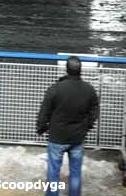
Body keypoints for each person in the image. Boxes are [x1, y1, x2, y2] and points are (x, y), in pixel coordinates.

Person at [37, 56, 99, 196]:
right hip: (77, 138)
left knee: (53, 172)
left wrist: (41, 127)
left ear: (66, 69)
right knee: (76, 173)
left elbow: (44, 111)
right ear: (80, 70)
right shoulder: (89, 89)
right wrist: (87, 125)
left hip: (57, 137)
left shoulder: (56, 88)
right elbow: (95, 110)